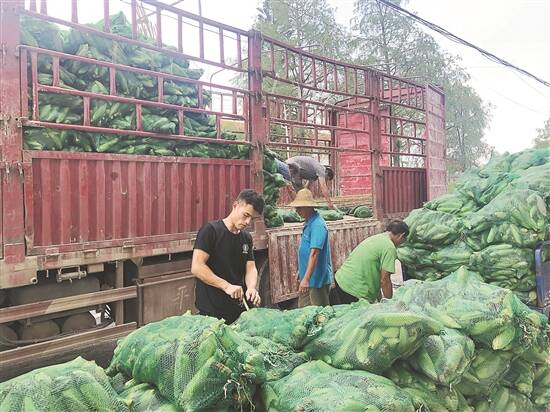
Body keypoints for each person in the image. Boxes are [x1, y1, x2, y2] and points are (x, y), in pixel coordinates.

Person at [191, 189, 265, 324]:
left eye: (252, 219)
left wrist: (251, 287)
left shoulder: (246, 238)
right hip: (211, 313)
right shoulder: (211, 231)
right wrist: (226, 286)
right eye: (246, 215)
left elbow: (250, 267)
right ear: (235, 205)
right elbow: (197, 267)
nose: (248, 222)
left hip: (237, 312)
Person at [333, 220, 409, 304]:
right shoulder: (390, 247)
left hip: (340, 281)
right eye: (404, 240)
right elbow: (385, 280)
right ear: (401, 236)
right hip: (353, 290)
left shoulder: (377, 238)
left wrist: (380, 300)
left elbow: (378, 276)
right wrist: (390, 305)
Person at [287, 189, 333, 307]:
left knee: (319, 313)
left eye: (300, 208)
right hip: (308, 279)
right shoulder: (309, 223)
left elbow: (314, 253)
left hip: (317, 280)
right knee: (304, 311)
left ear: (309, 207)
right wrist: (302, 272)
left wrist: (306, 279)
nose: (297, 211)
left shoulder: (317, 225)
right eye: (296, 208)